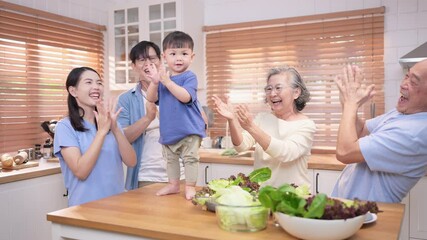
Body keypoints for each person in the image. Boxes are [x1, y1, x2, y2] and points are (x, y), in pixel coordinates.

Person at [331, 60, 427, 203]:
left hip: (369, 215)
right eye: (407, 76)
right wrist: (346, 103)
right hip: (349, 207)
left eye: (413, 82)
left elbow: (345, 152)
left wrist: (351, 104)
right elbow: (362, 131)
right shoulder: (401, 114)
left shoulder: (416, 133)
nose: (403, 84)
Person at [212, 66, 316, 188]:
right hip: (263, 195)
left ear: (296, 92)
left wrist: (251, 127)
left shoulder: (306, 125)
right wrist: (232, 119)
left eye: (278, 88)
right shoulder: (262, 118)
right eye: (269, 88)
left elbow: (285, 152)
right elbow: (241, 146)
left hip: (293, 197)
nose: (272, 94)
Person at [53, 67, 136, 206]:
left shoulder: (110, 122)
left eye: (99, 83)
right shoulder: (65, 127)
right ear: (73, 91)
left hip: (117, 205)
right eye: (89, 82)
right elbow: (81, 171)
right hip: (84, 209)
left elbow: (131, 161)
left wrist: (115, 128)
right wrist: (102, 132)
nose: (96, 87)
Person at [145, 31, 206, 200]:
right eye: (173, 54)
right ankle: (173, 185)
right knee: (170, 160)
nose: (178, 58)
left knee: (190, 159)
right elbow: (151, 98)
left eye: (184, 54)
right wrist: (155, 82)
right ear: (164, 57)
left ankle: (190, 187)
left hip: (189, 130)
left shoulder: (189, 77)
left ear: (192, 57)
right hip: (169, 132)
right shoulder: (163, 78)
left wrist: (166, 82)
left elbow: (185, 96)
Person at [117, 41, 184, 190]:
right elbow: (123, 137)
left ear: (160, 61)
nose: (148, 63)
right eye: (142, 60)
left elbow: (200, 126)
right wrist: (148, 118)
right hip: (146, 176)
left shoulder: (177, 90)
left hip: (181, 175)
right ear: (134, 66)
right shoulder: (126, 99)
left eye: (152, 58)